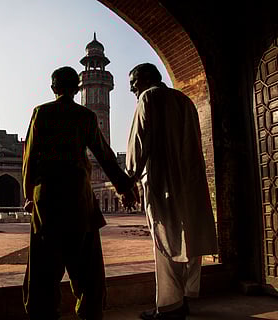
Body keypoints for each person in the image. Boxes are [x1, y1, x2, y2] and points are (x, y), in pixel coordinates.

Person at [22, 66, 136, 320]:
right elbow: (104, 154)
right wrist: (124, 186)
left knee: (43, 270)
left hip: (47, 200)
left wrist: (29, 194)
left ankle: (43, 314)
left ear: (54, 89)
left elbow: (29, 159)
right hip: (78, 198)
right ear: (77, 88)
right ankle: (89, 312)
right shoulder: (85, 116)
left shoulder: (42, 113)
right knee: (87, 269)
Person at [125, 63, 218, 320]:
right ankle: (187, 295)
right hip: (192, 180)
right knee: (192, 238)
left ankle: (169, 306)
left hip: (162, 181)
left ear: (145, 79)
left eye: (134, 81)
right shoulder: (184, 99)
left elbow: (138, 144)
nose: (132, 88)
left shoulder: (148, 97)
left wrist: (129, 179)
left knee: (165, 242)